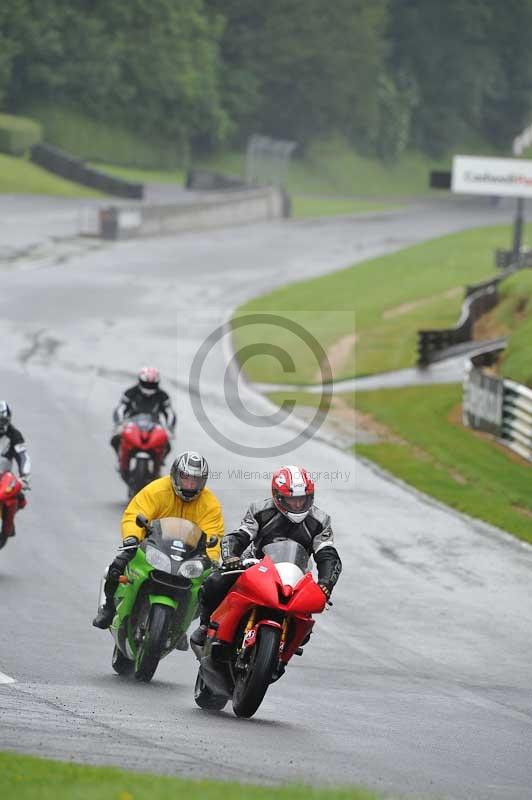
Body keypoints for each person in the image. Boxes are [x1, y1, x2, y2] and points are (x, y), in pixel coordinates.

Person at [190, 465, 342, 647]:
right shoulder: (260, 510)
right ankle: (205, 625)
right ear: (277, 496)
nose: (298, 504)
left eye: (303, 499)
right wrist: (231, 557)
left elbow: (328, 554)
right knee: (215, 581)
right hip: (257, 567)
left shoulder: (321, 521)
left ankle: (287, 646)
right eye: (291, 499)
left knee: (307, 618)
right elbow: (239, 536)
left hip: (294, 577)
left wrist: (326, 582)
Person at [93, 451, 224, 649]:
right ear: (175, 475)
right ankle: (108, 608)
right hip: (153, 547)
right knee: (115, 567)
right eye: (185, 479)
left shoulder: (209, 503)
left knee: (210, 587)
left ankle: (184, 624)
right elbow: (135, 513)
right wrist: (131, 537)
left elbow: (215, 533)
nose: (189, 485)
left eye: (195, 481)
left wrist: (212, 559)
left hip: (187, 558)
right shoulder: (157, 490)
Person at [110, 367, 176, 455]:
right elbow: (120, 409)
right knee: (115, 439)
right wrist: (119, 424)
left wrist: (169, 428)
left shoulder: (163, 396)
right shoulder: (130, 392)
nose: (149, 387)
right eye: (146, 384)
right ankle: (121, 458)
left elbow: (170, 413)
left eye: (152, 385)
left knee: (167, 445)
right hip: (132, 424)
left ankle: (159, 464)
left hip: (154, 425)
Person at [0, 401, 31, 538]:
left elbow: (23, 457)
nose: (0, 424)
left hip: (2, 477)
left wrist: (24, 476)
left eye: (2, 421)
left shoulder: (14, 435)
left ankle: (8, 524)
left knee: (18, 496)